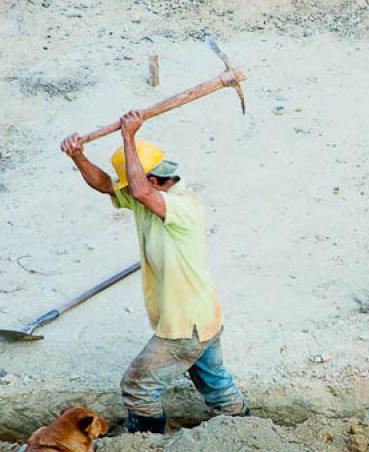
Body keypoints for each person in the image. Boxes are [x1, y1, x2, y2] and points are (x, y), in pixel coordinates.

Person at [60, 110, 249, 433]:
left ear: (149, 181)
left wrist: (129, 137)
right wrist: (78, 157)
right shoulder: (147, 198)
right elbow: (107, 185)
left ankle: (147, 451)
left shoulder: (181, 205)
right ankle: (247, 432)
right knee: (216, 384)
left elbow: (140, 191)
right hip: (204, 317)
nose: (129, 189)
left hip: (185, 323)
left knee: (138, 388)